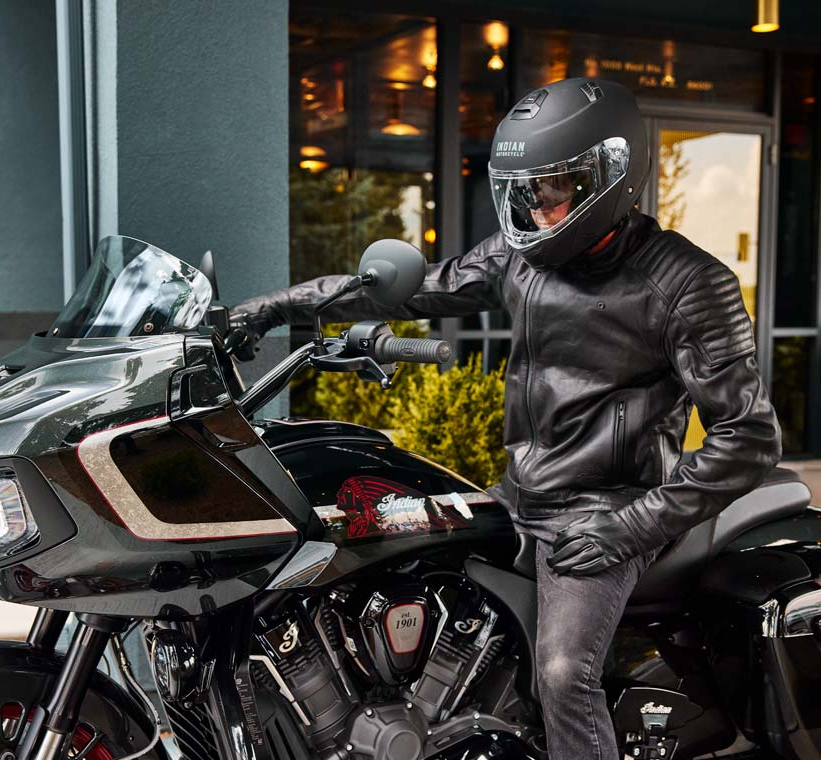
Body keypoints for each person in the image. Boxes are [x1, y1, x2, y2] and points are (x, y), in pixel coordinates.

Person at [232, 77, 782, 760]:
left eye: (555, 189)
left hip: (606, 510)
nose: (538, 207)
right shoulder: (520, 256)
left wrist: (631, 526)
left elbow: (748, 438)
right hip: (516, 494)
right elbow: (415, 290)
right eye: (525, 191)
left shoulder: (687, 283)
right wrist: (272, 308)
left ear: (612, 175)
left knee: (563, 675)